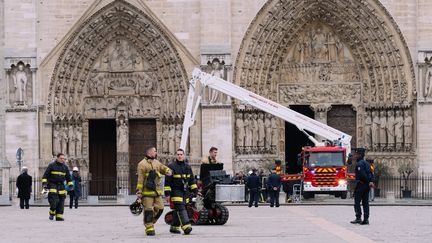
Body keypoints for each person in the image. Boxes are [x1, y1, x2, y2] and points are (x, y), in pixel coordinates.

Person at [136, 147, 172, 236]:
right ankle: (149, 227)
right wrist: (139, 193)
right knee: (148, 210)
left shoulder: (156, 162)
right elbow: (140, 180)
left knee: (160, 208)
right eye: (155, 151)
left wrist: (168, 171)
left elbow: (162, 168)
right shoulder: (142, 164)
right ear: (150, 152)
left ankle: (150, 221)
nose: (156, 153)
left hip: (157, 192)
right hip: (147, 193)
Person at [164, 148, 197, 235]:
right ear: (176, 155)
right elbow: (167, 181)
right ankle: (186, 226)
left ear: (184, 155)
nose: (179, 156)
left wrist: (195, 191)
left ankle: (174, 227)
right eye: (178, 154)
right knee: (181, 207)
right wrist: (167, 194)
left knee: (179, 209)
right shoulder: (171, 166)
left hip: (185, 192)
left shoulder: (188, 167)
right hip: (175, 191)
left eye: (181, 154)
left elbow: (192, 180)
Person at [42, 153, 73, 221]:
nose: (63, 160)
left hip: (61, 186)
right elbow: (45, 176)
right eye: (61, 158)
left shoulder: (65, 167)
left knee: (61, 202)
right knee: (54, 201)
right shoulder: (51, 166)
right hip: (52, 185)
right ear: (57, 158)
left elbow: (68, 177)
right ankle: (52, 212)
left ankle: (59, 216)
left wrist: (70, 185)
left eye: (63, 159)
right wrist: (44, 184)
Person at [350, 148, 374, 225]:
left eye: (356, 154)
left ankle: (358, 217)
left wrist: (367, 182)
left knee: (357, 201)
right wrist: (370, 181)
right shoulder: (367, 163)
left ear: (360, 155)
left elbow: (362, 175)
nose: (355, 156)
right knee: (365, 202)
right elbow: (370, 173)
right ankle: (366, 219)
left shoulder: (359, 164)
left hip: (361, 184)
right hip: (367, 185)